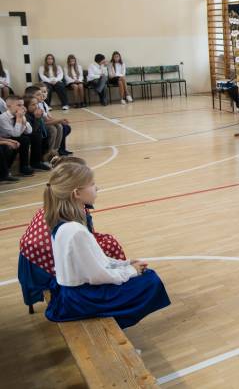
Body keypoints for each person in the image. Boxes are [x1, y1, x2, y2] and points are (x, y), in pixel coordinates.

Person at [44, 162, 170, 328]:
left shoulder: (64, 223)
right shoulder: (75, 231)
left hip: (73, 293)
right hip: (81, 299)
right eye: (92, 184)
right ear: (77, 193)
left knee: (142, 276)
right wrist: (131, 271)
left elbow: (97, 261)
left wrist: (125, 264)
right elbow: (98, 275)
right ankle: (114, 326)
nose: (97, 188)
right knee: (150, 280)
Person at [18, 155, 127, 309]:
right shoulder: (72, 214)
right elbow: (82, 244)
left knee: (105, 243)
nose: (96, 187)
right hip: (43, 266)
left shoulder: (56, 201)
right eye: (90, 183)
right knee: (110, 245)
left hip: (32, 259)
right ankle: (112, 290)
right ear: (75, 189)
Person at [0, 95, 47, 176]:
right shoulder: (3, 118)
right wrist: (19, 119)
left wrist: (24, 120)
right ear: (8, 106)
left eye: (22, 105)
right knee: (24, 140)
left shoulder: (20, 115)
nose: (22, 108)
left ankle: (34, 163)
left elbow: (29, 131)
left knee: (35, 135)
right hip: (6, 138)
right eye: (19, 105)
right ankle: (14, 168)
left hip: (16, 135)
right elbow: (15, 134)